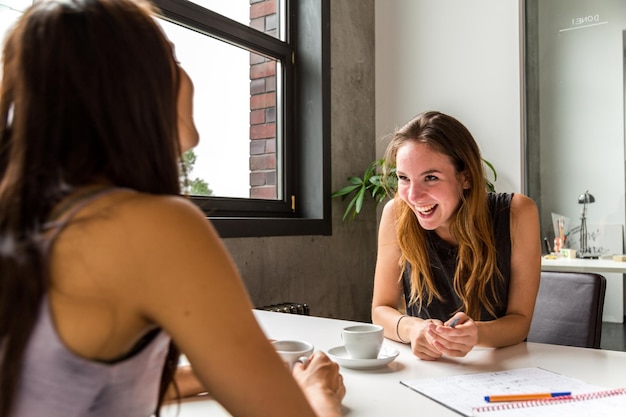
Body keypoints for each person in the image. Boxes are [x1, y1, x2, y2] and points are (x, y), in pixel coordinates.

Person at [0, 1, 345, 416]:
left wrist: (213, 367)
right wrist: (319, 396)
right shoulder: (151, 226)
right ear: (126, 88)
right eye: (172, 58)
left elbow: (66, 387)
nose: (185, 76)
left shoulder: (28, 215)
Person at [371, 111, 541, 361]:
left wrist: (478, 334)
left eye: (430, 177)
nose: (413, 196)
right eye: (404, 178)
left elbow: (520, 321)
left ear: (466, 177)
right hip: (426, 370)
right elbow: (380, 310)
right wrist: (413, 328)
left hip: (500, 369)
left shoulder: (518, 213)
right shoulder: (396, 215)